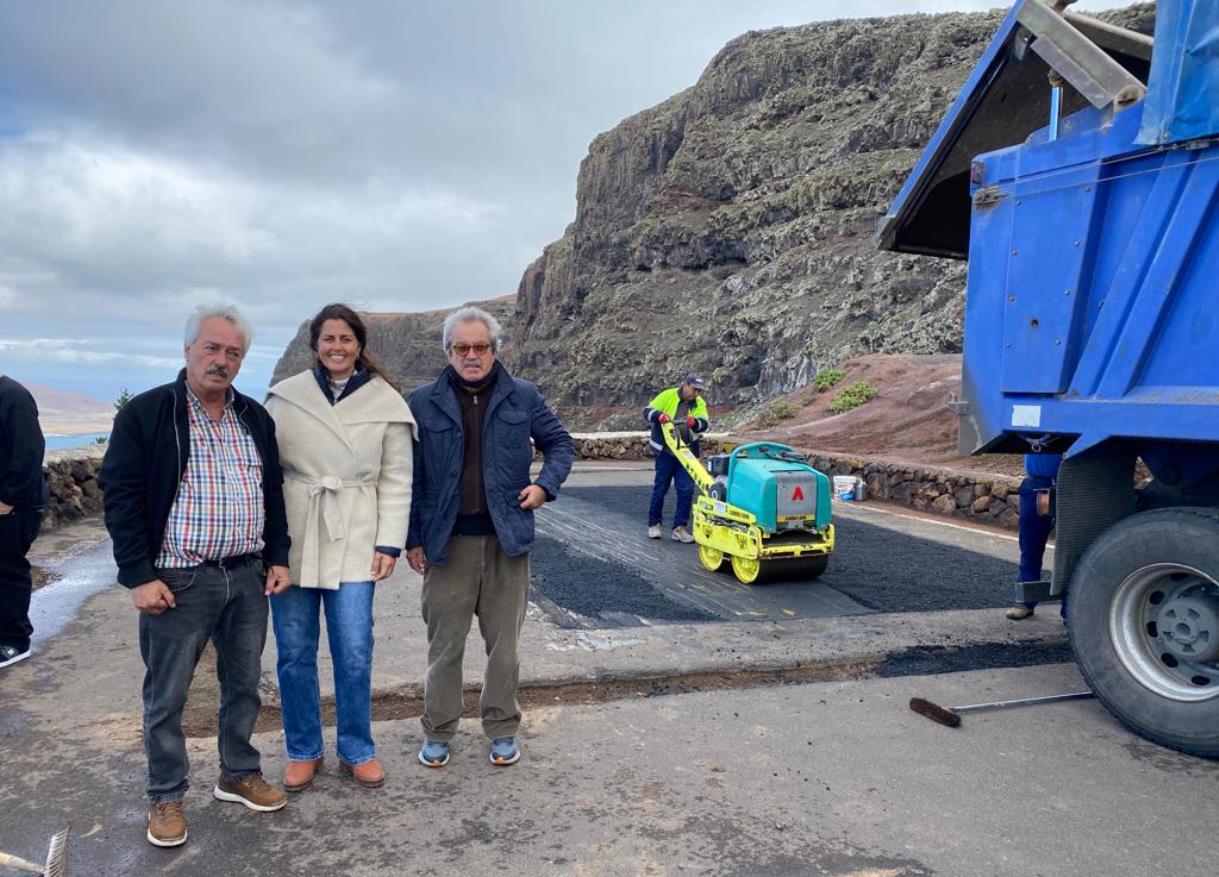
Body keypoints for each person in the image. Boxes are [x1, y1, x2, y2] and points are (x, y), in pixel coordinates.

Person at [99, 304, 292, 848]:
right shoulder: (147, 413)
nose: (222, 360)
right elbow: (121, 496)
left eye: (233, 353)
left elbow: (272, 493)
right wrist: (137, 574)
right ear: (188, 349)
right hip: (179, 581)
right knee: (168, 695)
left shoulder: (254, 416)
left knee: (244, 686)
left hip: (247, 576)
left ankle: (237, 773)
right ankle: (165, 796)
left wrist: (278, 555)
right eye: (212, 348)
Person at [406, 306, 573, 768]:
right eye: (462, 347)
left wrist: (545, 486)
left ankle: (502, 728)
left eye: (481, 347)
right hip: (446, 546)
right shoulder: (421, 402)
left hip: (508, 543)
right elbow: (410, 477)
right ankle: (438, 730)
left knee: (505, 649)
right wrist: (412, 538)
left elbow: (560, 444)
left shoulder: (523, 395)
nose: (472, 355)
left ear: (495, 349)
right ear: (449, 352)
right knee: (445, 648)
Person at [265, 304, 415, 792]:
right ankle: (303, 749)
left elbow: (396, 479)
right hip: (296, 536)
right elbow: (265, 476)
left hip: (355, 535)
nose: (336, 347)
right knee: (293, 652)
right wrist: (271, 548)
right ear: (314, 345)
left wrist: (389, 542)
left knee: (353, 650)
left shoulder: (385, 402)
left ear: (358, 345)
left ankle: (357, 747)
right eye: (328, 339)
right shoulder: (284, 400)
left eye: (345, 339)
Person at [0, 374, 47, 669]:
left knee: (8, 571)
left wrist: (7, 500)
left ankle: (14, 642)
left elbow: (29, 452)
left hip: (14, 507)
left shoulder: (12, 396)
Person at [643, 374, 709, 542]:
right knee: (660, 488)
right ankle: (654, 524)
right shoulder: (668, 395)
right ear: (685, 385)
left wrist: (694, 422)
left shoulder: (699, 403)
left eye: (699, 391)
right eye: (694, 389)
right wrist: (659, 416)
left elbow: (704, 424)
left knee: (686, 490)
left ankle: (680, 528)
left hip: (686, 454)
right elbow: (647, 411)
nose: (696, 394)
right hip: (666, 451)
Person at [1006, 451, 1063, 620]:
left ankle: (1070, 609)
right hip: (1037, 487)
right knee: (1031, 547)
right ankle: (1025, 601)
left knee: (1070, 549)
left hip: (1070, 485)